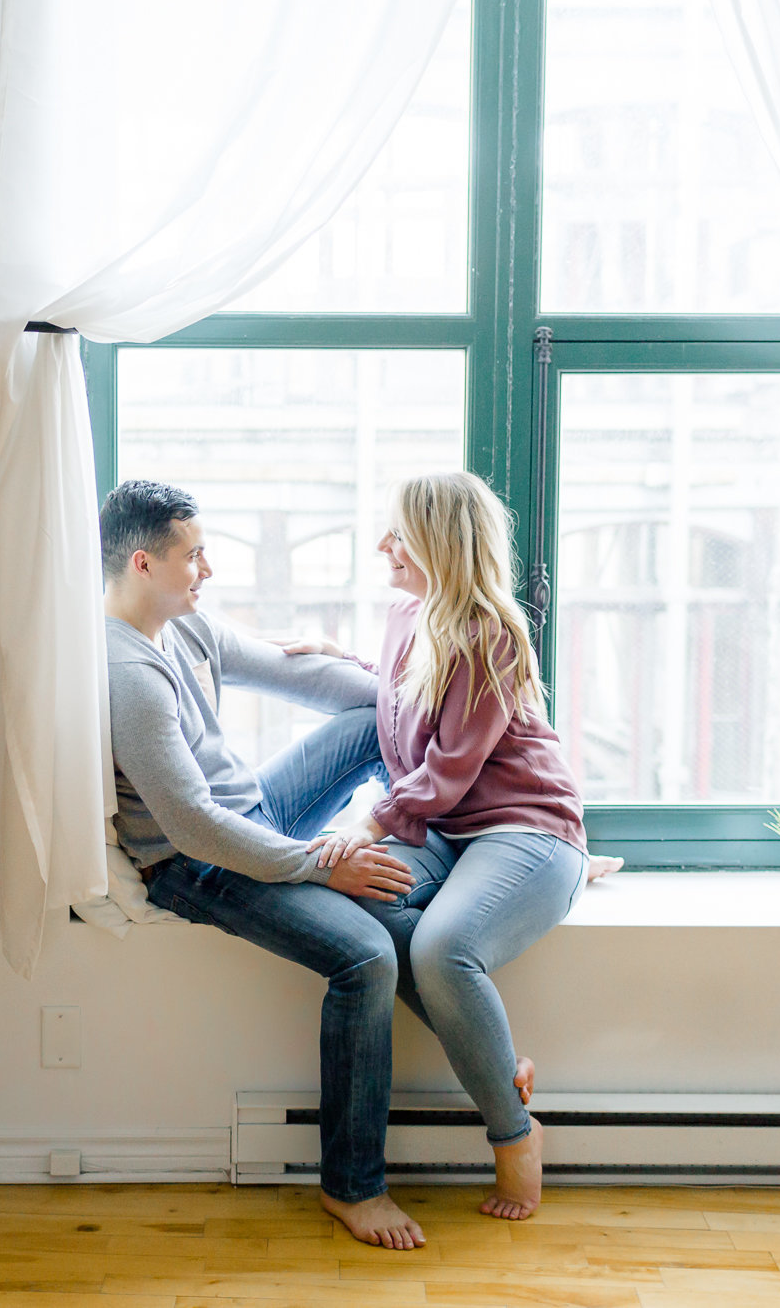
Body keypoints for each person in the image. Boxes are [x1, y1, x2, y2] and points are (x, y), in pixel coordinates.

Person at [99, 479, 434, 1250]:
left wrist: (418, 698)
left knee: (365, 723)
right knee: (366, 954)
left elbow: (307, 679)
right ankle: (353, 1187)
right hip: (196, 863)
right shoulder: (127, 674)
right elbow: (192, 825)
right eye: (196, 556)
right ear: (145, 563)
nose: (209, 568)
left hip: (255, 811)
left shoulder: (186, 627)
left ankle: (460, 833)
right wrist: (322, 865)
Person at [291, 471, 604, 1222]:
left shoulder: (492, 631)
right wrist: (338, 657)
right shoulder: (406, 613)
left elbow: (450, 767)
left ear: (438, 540)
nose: (382, 546)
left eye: (397, 533)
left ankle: (514, 1134)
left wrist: (366, 823)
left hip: (525, 827)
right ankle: (501, 1062)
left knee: (440, 948)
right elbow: (401, 694)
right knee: (360, 913)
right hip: (446, 828)